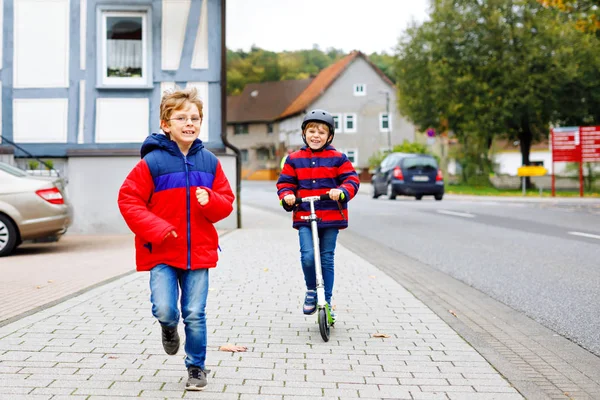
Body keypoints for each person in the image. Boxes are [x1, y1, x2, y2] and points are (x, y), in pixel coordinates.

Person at [118, 87, 234, 391]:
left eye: (194, 118)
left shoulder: (209, 162)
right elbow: (129, 200)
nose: (189, 123)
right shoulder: (153, 163)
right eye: (181, 117)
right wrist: (156, 228)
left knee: (195, 313)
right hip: (161, 251)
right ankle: (168, 328)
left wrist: (209, 199)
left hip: (199, 251)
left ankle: (196, 367)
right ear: (166, 124)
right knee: (165, 309)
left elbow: (226, 201)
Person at [276, 109, 360, 322]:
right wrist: (287, 196)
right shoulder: (294, 159)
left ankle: (327, 301)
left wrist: (341, 191)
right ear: (304, 134)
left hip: (331, 216)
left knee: (326, 258)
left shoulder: (338, 158)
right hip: (305, 215)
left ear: (329, 136)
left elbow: (351, 180)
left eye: (321, 132)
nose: (316, 135)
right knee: (307, 256)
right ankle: (312, 290)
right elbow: (285, 183)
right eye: (311, 131)